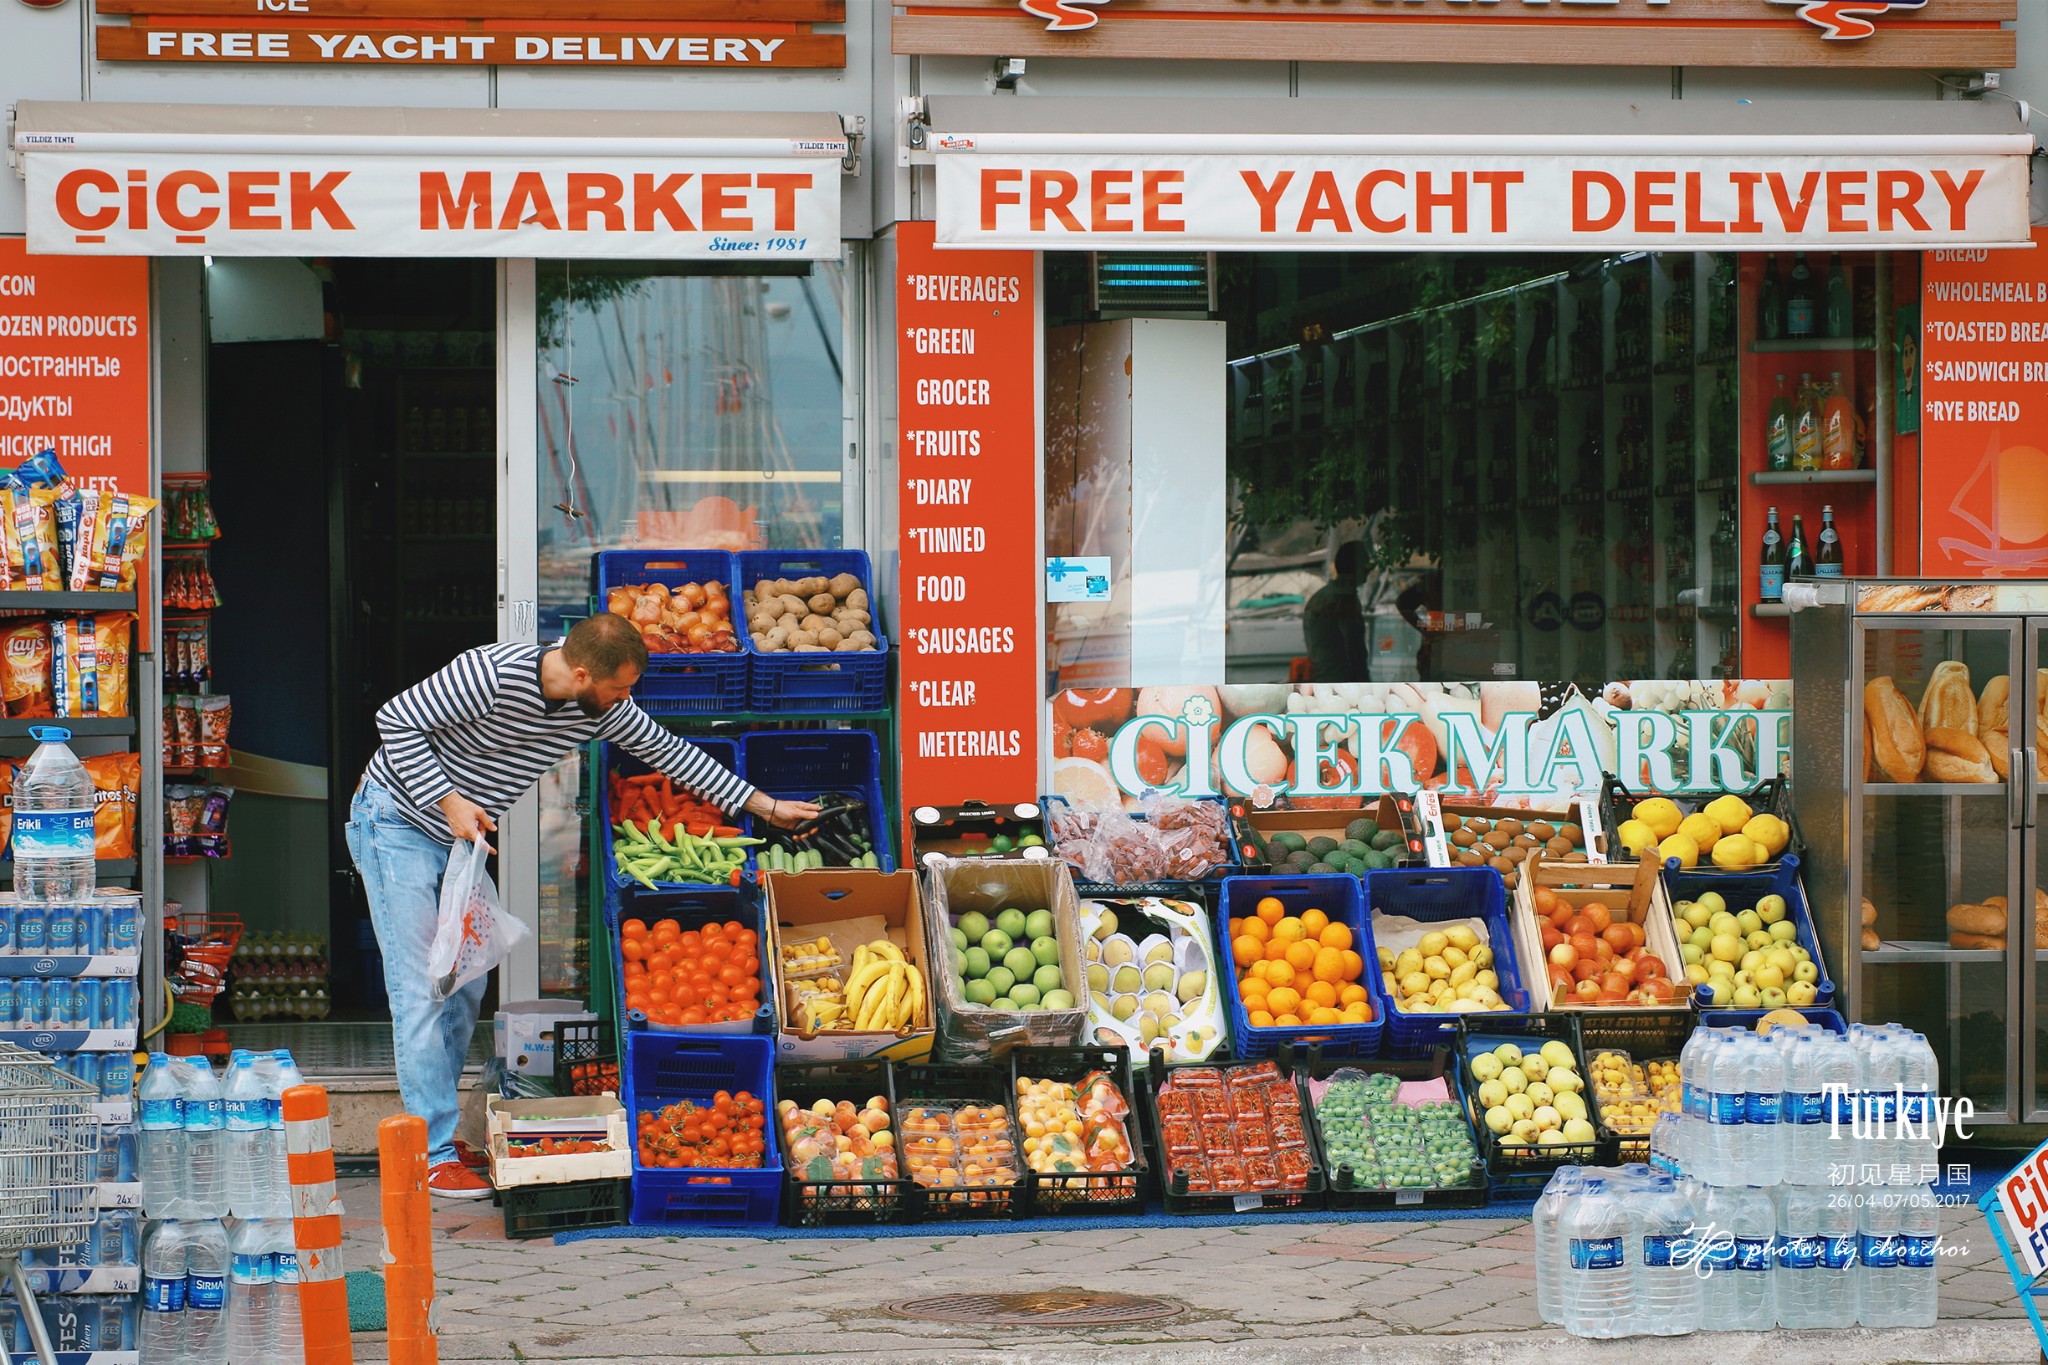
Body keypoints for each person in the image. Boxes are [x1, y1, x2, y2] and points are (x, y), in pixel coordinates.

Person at [346, 613, 817, 1198]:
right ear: (582, 671)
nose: (626, 700)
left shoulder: (600, 706)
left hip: (459, 842)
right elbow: (394, 719)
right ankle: (429, 1151)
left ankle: (437, 1134)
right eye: (619, 687)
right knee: (421, 989)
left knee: (465, 982)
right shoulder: (489, 674)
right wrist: (449, 801)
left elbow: (669, 751)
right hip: (396, 822)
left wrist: (768, 807)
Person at [1302, 540, 1368, 682]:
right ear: (1356, 566)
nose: (1369, 568)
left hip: (1323, 676)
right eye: (1366, 562)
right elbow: (1353, 646)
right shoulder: (1343, 599)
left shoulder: (1322, 597)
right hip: (1340, 679)